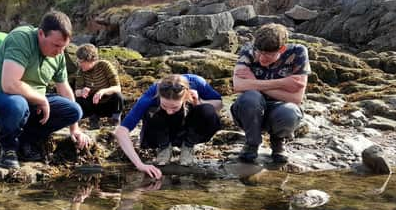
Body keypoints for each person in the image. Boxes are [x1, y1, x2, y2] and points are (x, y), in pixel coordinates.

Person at [0, 10, 91, 169]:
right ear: (41, 34)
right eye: (56, 45)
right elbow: (9, 84)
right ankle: (8, 149)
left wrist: (75, 129)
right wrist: (41, 99)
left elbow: (64, 89)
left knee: (74, 111)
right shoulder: (21, 38)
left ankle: (26, 141)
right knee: (18, 104)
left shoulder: (58, 54)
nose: (59, 51)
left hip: (31, 104)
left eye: (63, 47)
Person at [114, 74, 222, 179]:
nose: (170, 111)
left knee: (207, 110)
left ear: (186, 95)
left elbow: (219, 104)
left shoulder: (197, 82)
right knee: (151, 110)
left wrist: (199, 102)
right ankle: (164, 146)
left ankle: (188, 145)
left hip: (187, 126)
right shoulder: (152, 93)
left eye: (174, 107)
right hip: (160, 127)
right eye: (165, 105)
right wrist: (140, 164)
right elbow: (121, 131)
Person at [231, 23, 310, 163]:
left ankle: (278, 142)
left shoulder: (298, 52)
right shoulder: (248, 50)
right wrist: (283, 83)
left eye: (268, 55)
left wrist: (254, 82)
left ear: (282, 49)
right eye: (259, 52)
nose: (261, 58)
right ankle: (251, 144)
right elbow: (238, 85)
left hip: (280, 111)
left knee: (290, 111)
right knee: (250, 97)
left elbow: (296, 98)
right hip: (249, 112)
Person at [74, 43, 125, 129]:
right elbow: (77, 92)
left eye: (81, 61)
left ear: (91, 59)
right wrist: (82, 91)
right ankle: (93, 120)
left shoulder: (105, 65)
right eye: (78, 61)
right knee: (80, 98)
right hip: (94, 105)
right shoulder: (81, 72)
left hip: (109, 104)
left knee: (118, 96)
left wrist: (102, 91)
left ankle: (115, 120)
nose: (79, 64)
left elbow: (117, 88)